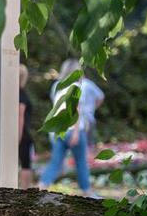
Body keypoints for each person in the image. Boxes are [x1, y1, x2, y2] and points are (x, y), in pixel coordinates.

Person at [38, 58, 105, 196]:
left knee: (55, 162)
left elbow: (56, 108)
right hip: (73, 130)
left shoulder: (57, 86)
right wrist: (75, 132)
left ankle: (41, 186)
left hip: (58, 131)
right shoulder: (75, 87)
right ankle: (87, 191)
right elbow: (76, 110)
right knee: (81, 162)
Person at [18, 65, 34, 188]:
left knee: (25, 163)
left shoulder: (19, 94)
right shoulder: (21, 94)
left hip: (22, 133)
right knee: (26, 164)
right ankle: (25, 189)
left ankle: (25, 189)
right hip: (23, 133)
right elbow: (20, 116)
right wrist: (19, 135)